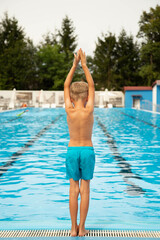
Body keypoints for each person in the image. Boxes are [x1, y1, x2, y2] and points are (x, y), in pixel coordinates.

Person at [64, 48, 95, 237]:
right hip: (87, 150)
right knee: (85, 189)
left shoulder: (69, 109)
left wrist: (74, 65)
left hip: (72, 150)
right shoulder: (89, 109)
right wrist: (84, 64)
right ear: (86, 97)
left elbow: (66, 85)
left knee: (73, 188)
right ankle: (82, 228)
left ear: (72, 97)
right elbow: (91, 86)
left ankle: (72, 228)